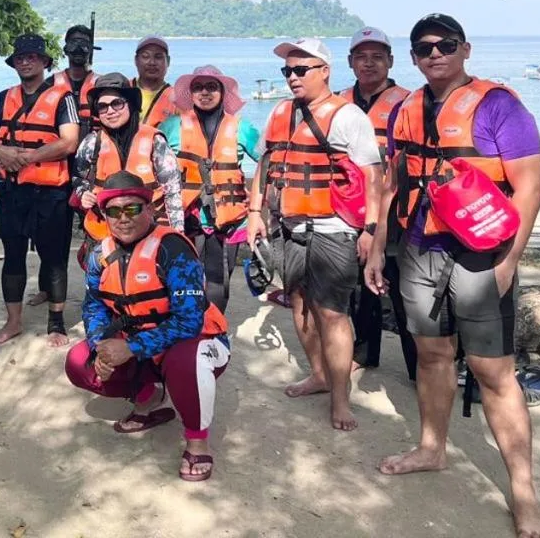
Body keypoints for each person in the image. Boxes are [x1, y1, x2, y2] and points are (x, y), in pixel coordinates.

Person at [367, 14, 540, 538]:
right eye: (424, 48)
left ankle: (524, 494)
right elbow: (392, 184)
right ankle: (432, 448)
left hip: (482, 252)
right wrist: (378, 247)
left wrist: (509, 261)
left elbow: (531, 188)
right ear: (413, 57)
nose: (435, 54)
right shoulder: (405, 108)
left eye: (445, 45)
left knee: (493, 371)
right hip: (420, 248)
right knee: (431, 354)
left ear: (465, 49)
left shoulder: (499, 106)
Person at [244, 37, 382, 432]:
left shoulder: (348, 116)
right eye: (287, 70)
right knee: (300, 304)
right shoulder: (280, 112)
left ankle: (341, 398)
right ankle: (319, 375)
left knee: (332, 313)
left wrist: (370, 231)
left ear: (325, 71)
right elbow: (265, 165)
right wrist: (254, 212)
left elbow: (373, 178)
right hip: (289, 225)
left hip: (333, 228)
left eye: (301, 69)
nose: (292, 77)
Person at [65, 172, 230, 482]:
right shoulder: (99, 254)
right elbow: (93, 305)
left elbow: (189, 321)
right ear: (104, 215)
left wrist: (130, 347)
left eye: (132, 208)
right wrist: (101, 346)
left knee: (185, 361)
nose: (123, 218)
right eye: (114, 211)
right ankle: (148, 399)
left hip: (197, 343)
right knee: (78, 361)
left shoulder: (172, 249)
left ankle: (197, 441)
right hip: (139, 346)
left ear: (150, 209)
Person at [0, 34, 80, 346]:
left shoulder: (63, 98)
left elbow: (69, 141)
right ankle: (13, 322)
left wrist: (30, 156)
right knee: (13, 256)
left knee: (53, 258)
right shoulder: (4, 97)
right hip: (13, 191)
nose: (25, 62)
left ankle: (56, 322)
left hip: (50, 193)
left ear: (44, 62)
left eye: (31, 57)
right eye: (20, 58)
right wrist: (1, 151)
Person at [339, 27, 413, 374]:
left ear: (390, 61)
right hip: (350, 207)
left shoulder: (409, 103)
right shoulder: (337, 103)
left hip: (396, 209)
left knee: (404, 288)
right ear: (351, 62)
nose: (369, 64)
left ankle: (419, 365)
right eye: (361, 57)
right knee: (357, 289)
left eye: (377, 57)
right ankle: (364, 352)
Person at [161, 66, 263, 312]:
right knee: (183, 283)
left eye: (211, 87)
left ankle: (215, 327)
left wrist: (257, 207)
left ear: (222, 92)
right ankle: (189, 328)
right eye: (198, 87)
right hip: (185, 220)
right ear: (191, 93)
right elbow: (153, 166)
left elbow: (268, 162)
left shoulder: (242, 127)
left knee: (218, 284)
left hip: (228, 222)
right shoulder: (171, 126)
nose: (204, 92)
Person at [25, 24, 100, 307]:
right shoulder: (50, 83)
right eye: (74, 43)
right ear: (65, 49)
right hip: (56, 167)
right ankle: (47, 288)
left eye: (85, 43)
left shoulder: (101, 84)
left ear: (91, 49)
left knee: (96, 231)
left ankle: (99, 289)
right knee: (49, 233)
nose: (79, 49)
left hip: (92, 169)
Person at [71, 72, 183, 246]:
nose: (110, 111)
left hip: (150, 232)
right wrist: (83, 193)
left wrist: (177, 236)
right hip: (104, 232)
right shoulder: (91, 142)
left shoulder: (154, 141)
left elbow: (173, 191)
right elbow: (78, 178)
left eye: (117, 103)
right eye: (102, 106)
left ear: (130, 104)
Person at [132, 35, 176, 127]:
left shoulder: (177, 99)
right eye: (145, 56)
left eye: (158, 57)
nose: (152, 62)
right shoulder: (123, 88)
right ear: (136, 60)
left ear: (168, 61)